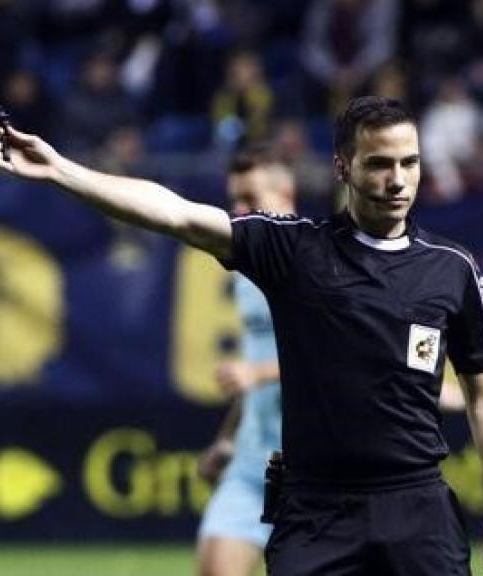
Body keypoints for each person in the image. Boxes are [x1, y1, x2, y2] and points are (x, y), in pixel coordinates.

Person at [0, 95, 483, 576]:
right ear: (343, 168)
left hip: (416, 506)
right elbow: (178, 215)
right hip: (316, 512)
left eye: (409, 162)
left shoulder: (451, 267)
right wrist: (61, 171)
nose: (398, 180)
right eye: (379, 164)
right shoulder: (296, 250)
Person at [196, 145, 293, 576]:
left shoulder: (320, 267)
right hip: (253, 462)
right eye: (234, 200)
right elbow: (257, 364)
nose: (238, 211)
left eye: (250, 199)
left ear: (285, 196)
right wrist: (227, 439)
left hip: (316, 470)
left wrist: (257, 374)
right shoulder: (245, 276)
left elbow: (345, 360)